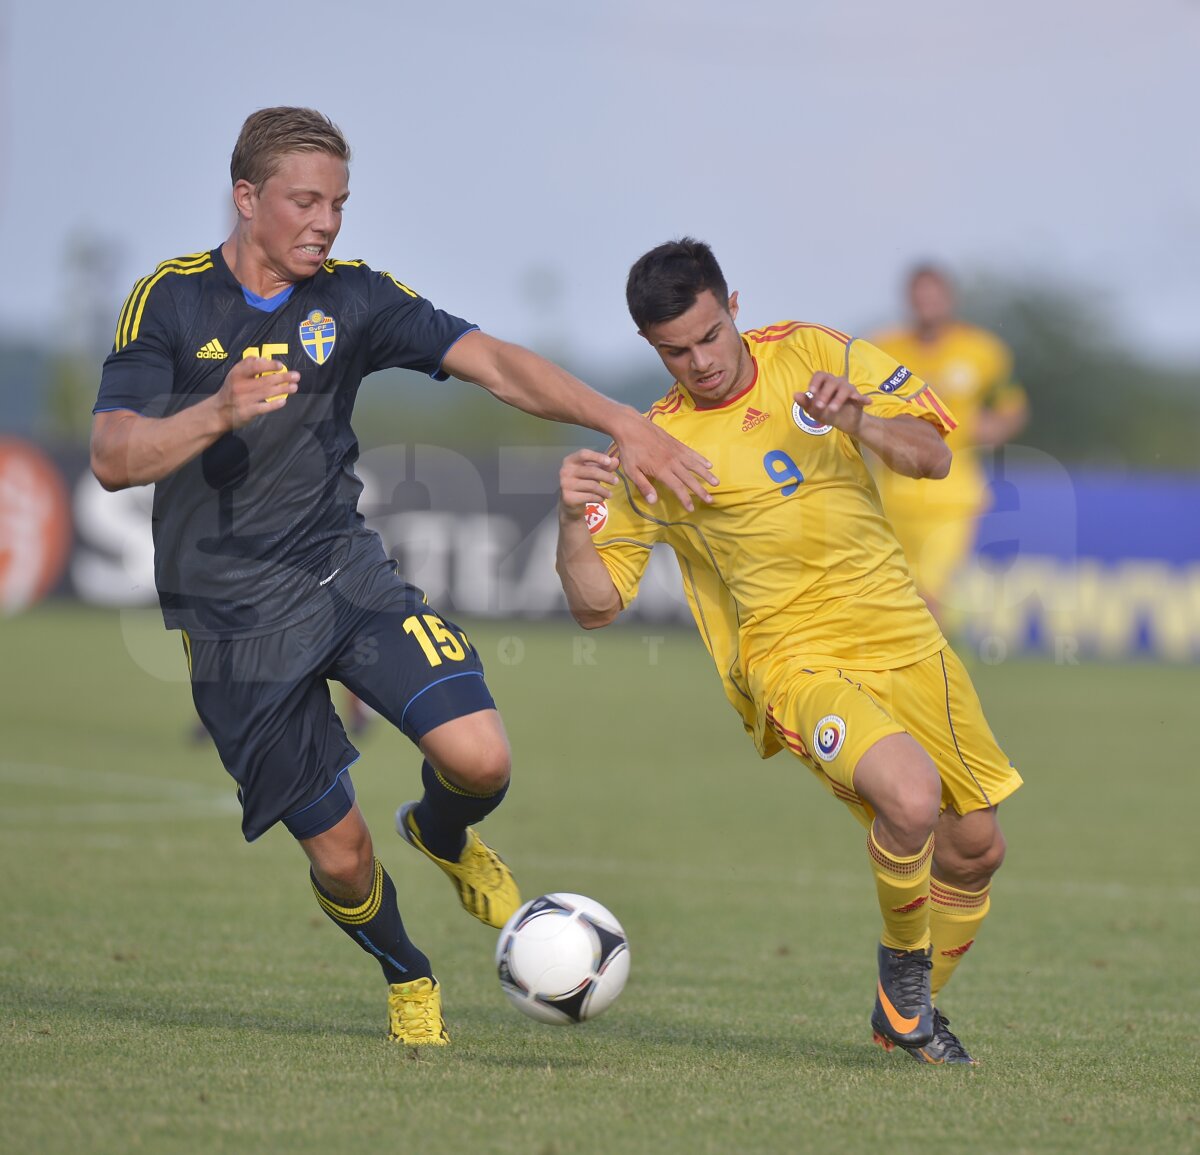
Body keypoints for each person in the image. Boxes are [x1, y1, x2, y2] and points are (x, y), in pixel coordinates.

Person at [90, 108, 715, 1046]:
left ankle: (441, 831)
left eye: (339, 203)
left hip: (345, 576)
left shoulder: (355, 298)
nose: (326, 222)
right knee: (341, 857)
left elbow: (495, 363)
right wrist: (215, 412)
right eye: (306, 201)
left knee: (482, 758)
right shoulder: (170, 302)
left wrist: (620, 421)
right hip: (232, 624)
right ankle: (406, 969)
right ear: (247, 198)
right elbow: (112, 453)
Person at [555, 239, 1021, 1064]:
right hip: (793, 660)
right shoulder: (652, 447)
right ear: (649, 348)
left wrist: (857, 419)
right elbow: (595, 607)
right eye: (674, 351)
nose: (698, 362)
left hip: (907, 637)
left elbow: (934, 454)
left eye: (708, 336)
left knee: (976, 845)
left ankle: (897, 1013)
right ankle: (907, 986)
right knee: (910, 800)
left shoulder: (811, 351)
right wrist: (569, 523)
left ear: (734, 306)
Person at [870, 265, 1029, 622]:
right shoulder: (883, 348)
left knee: (928, 596)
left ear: (950, 299)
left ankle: (934, 671)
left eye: (933, 295)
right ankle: (949, 650)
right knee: (896, 599)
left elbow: (1012, 408)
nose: (926, 303)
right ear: (908, 300)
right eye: (919, 295)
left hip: (951, 493)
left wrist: (990, 429)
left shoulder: (983, 351)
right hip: (891, 492)